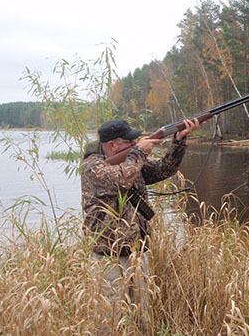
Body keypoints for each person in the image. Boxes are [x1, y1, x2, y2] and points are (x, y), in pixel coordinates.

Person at [81, 117, 200, 310]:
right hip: (110, 259)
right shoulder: (93, 167)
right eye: (129, 141)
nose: (135, 143)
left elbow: (164, 170)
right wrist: (139, 152)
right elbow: (120, 179)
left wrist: (179, 140)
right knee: (111, 319)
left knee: (140, 314)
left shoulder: (132, 162)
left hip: (137, 253)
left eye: (135, 141)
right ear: (112, 145)